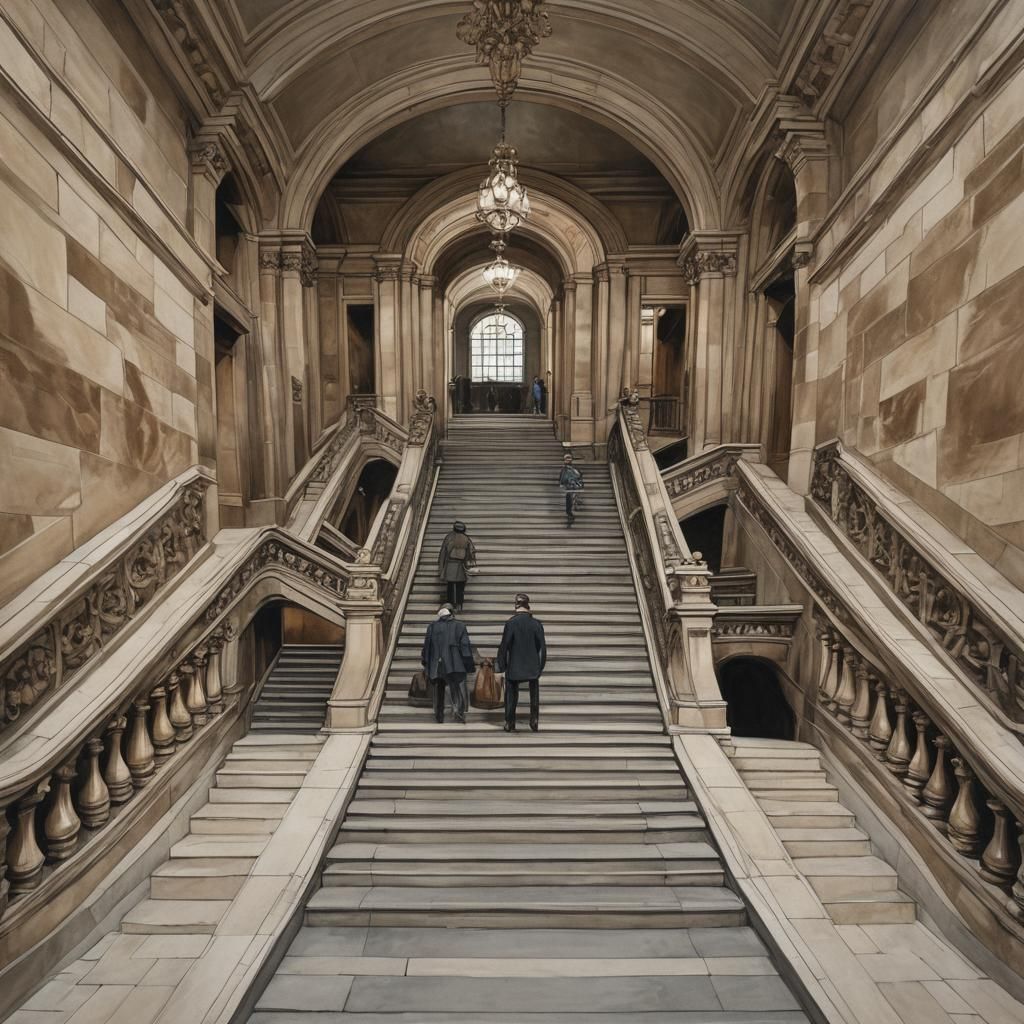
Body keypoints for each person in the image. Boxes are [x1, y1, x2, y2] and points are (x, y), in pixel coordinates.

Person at [496, 593, 547, 732]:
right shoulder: (536, 624)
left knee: (511, 694)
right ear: (528, 606)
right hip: (532, 665)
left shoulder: (511, 623)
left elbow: (504, 646)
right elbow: (542, 648)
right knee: (534, 694)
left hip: (514, 664)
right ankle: (534, 720)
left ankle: (509, 722)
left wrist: (501, 666)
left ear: (516, 605)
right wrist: (540, 667)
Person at [421, 604, 474, 724]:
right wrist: (468, 665)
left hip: (438, 664)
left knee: (439, 690)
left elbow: (426, 647)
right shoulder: (460, 626)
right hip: (455, 664)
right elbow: (465, 647)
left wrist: (426, 662)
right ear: (451, 613)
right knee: (457, 688)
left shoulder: (432, 627)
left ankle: (439, 716)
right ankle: (458, 712)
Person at [438, 520, 476, 610]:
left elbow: (443, 553)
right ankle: (459, 603)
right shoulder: (466, 539)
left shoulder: (449, 537)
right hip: (460, 566)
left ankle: (451, 604)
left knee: (451, 586)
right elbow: (470, 555)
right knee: (460, 586)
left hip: (450, 565)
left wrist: (441, 568)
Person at [559, 453, 584, 527]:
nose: (568, 460)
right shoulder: (564, 469)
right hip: (569, 487)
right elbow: (562, 478)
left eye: (569, 459)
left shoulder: (574, 469)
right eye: (567, 459)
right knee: (569, 499)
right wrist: (562, 483)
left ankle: (572, 509)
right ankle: (570, 513)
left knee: (572, 497)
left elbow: (579, 476)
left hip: (574, 486)